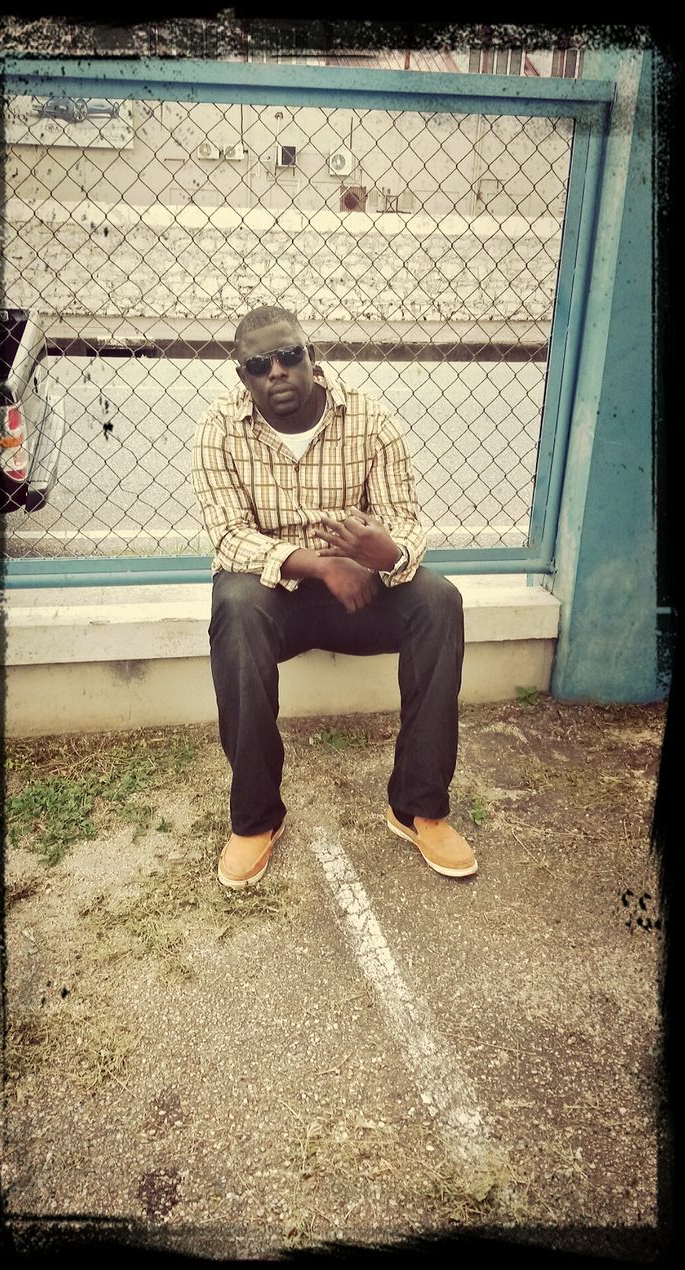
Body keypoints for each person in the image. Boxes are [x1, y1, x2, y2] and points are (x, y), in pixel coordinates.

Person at [192, 305, 477, 889]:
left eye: (288, 356)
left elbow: (406, 521)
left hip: (361, 594)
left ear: (311, 357)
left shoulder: (370, 418)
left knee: (439, 601)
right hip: (278, 595)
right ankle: (254, 820)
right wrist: (324, 566)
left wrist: (385, 553)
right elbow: (226, 537)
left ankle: (419, 807)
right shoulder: (218, 428)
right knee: (235, 606)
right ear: (241, 375)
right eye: (257, 364)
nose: (276, 372)